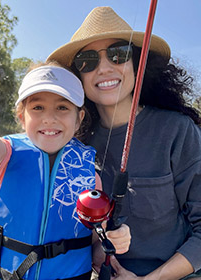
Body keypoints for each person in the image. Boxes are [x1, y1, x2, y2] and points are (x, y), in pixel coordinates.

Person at [0, 23, 131, 279]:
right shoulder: (5, 154)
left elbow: (94, 244)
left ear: (79, 118)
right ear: (22, 117)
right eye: (38, 108)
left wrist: (111, 242)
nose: (49, 119)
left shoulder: (90, 174)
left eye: (62, 108)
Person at [47, 6, 201, 280]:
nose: (104, 68)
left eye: (119, 54)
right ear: (78, 76)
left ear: (137, 64)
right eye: (88, 60)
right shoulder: (71, 145)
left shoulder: (178, 131)